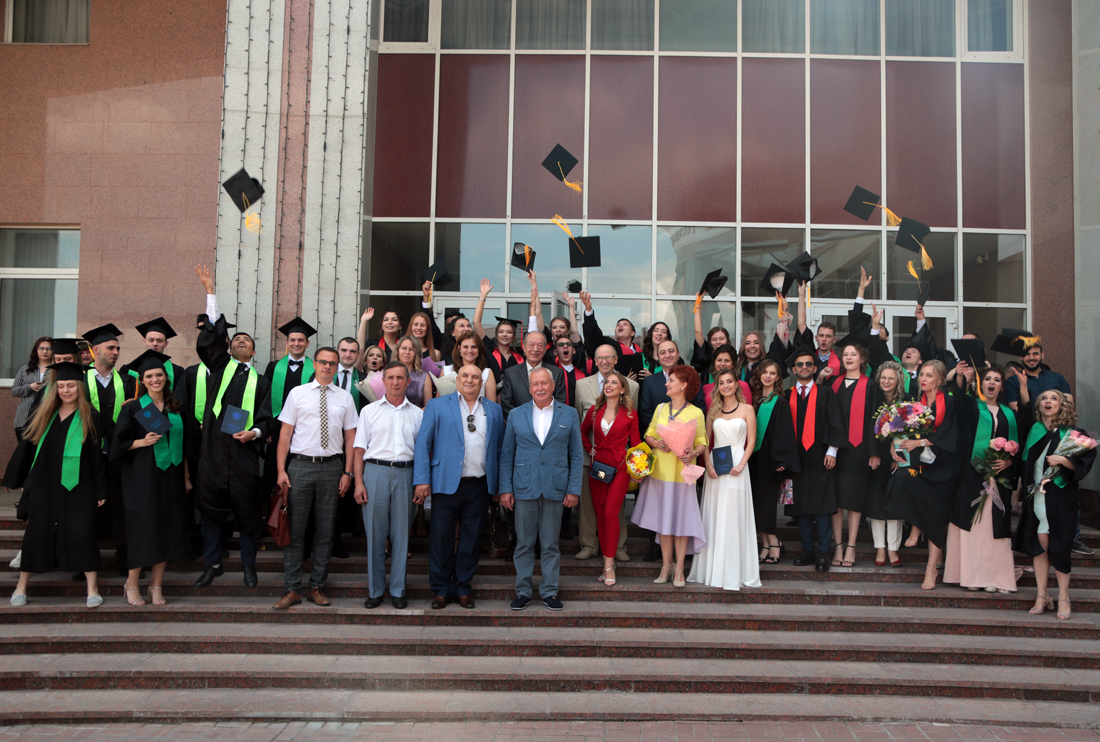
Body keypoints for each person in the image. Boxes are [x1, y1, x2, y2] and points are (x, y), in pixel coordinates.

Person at [192, 265, 275, 589]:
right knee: (209, 511)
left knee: (247, 512)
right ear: (228, 348)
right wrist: (210, 293)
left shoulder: (261, 381)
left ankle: (248, 566)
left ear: (253, 351)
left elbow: (267, 419)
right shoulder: (218, 367)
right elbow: (210, 340)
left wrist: (254, 433)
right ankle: (213, 564)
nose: (241, 341)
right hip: (213, 453)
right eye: (236, 338)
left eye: (246, 340)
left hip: (243, 455)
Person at [9, 362, 106, 608]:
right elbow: (27, 450)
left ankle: (92, 589)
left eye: (71, 386)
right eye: (61, 386)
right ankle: (21, 586)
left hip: (79, 485)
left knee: (83, 532)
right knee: (36, 532)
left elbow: (96, 457)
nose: (65, 390)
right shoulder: (44, 414)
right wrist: (16, 478)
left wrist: (100, 488)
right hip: (44, 484)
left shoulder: (91, 416)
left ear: (80, 388)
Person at [270, 346, 357, 609]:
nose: (327, 366)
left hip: (332, 468)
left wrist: (348, 472)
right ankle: (292, 589)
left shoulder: (345, 398)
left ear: (337, 367)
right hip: (300, 467)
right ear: (315, 364)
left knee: (326, 531)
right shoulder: (298, 393)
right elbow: (285, 434)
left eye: (332, 363)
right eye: (323, 362)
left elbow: (351, 438)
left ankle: (317, 586)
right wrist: (281, 470)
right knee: (295, 531)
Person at [414, 364, 504, 609]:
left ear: (481, 383)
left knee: (471, 540)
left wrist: (499, 485)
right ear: (456, 380)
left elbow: (500, 450)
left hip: (480, 485)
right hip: (445, 483)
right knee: (441, 539)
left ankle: (463, 588)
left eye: (475, 377)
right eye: (465, 375)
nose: (470, 380)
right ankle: (441, 589)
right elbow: (423, 444)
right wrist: (422, 480)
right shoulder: (437, 406)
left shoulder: (494, 410)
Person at [110, 350, 192, 607]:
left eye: (159, 375)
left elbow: (184, 446)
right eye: (149, 376)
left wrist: (186, 477)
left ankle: (156, 586)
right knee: (143, 530)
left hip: (171, 477)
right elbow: (117, 445)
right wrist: (140, 442)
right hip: (142, 478)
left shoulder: (175, 407)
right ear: (142, 380)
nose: (155, 380)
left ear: (166, 378)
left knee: (167, 530)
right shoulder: (134, 407)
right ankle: (132, 584)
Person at [499, 367, 583, 611]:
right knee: (524, 543)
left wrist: (573, 489)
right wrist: (505, 489)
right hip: (524, 486)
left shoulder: (569, 414)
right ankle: (523, 591)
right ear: (529, 388)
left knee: (550, 544)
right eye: (535, 384)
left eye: (544, 383)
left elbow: (576, 455)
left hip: (556, 487)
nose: (540, 388)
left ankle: (549, 591)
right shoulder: (516, 414)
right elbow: (507, 455)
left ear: (553, 385)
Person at [1014, 390, 1095, 620]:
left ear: (1062, 405)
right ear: (1039, 405)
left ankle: (1064, 597)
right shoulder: (1035, 430)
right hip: (1037, 497)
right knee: (1040, 546)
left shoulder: (1074, 434)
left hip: (1061, 497)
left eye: (1054, 398)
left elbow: (1085, 462)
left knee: (1060, 546)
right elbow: (1026, 464)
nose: (1048, 401)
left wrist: (1063, 460)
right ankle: (1042, 595)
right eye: (1044, 398)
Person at [885, 360, 961, 590]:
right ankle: (916, 526)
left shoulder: (950, 402)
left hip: (943, 466)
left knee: (936, 515)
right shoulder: (914, 401)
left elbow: (950, 433)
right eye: (922, 375)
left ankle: (931, 569)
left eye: (929, 375)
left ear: (940, 380)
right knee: (903, 480)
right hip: (919, 464)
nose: (924, 379)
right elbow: (900, 429)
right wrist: (893, 447)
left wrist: (919, 442)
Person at [353, 361, 423, 609]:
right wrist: (358, 482)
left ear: (408, 382)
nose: (395, 382)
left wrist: (421, 482)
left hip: (406, 474)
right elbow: (359, 449)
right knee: (375, 534)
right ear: (383, 381)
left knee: (401, 535)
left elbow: (423, 452)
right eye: (390, 378)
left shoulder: (417, 414)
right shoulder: (369, 411)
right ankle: (375, 591)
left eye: (400, 378)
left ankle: (398, 590)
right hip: (375, 473)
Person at [632, 364, 709, 588]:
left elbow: (702, 442)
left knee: (682, 522)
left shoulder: (696, 412)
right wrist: (657, 443)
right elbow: (648, 434)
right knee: (663, 522)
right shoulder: (660, 408)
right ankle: (666, 566)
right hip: (660, 473)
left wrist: (692, 453)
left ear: (684, 385)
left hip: (683, 474)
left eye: (671, 380)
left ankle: (679, 569)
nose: (667, 383)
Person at [945, 365, 1020, 594]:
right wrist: (961, 376)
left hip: (1000, 476)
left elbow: (1017, 444)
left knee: (994, 527)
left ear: (1001, 386)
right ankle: (971, 575)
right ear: (981, 383)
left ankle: (994, 576)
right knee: (974, 524)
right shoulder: (971, 406)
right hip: (971, 474)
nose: (992, 383)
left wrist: (1009, 462)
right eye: (988, 378)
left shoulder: (1009, 413)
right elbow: (958, 398)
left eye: (997, 379)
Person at [689, 368, 760, 590]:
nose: (726, 385)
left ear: (737, 384)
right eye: (722, 382)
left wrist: (742, 464)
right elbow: (705, 441)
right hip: (716, 467)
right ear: (717, 386)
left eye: (730, 381)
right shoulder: (713, 412)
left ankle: (734, 571)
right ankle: (713, 570)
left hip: (738, 465)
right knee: (716, 514)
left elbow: (752, 441)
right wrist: (708, 466)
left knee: (734, 514)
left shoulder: (748, 409)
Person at [573, 344, 640, 563]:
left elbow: (633, 433)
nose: (604, 361)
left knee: (614, 508)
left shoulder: (632, 387)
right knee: (591, 507)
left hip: (619, 462)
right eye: (600, 357)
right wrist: (587, 448)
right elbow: (579, 422)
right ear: (594, 360)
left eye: (608, 357)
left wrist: (636, 468)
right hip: (593, 460)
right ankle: (589, 545)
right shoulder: (582, 385)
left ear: (616, 359)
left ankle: (617, 547)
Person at [81, 323, 136, 575]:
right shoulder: (79, 380)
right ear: (95, 350)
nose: (116, 352)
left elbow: (151, 418)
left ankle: (125, 558)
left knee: (122, 507)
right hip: (86, 454)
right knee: (85, 508)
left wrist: (140, 407)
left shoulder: (129, 381)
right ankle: (84, 562)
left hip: (120, 455)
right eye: (110, 348)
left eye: (117, 348)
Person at [786, 346, 845, 573]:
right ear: (794, 369)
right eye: (800, 364)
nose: (804, 367)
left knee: (822, 508)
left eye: (808, 364)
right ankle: (807, 550)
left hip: (821, 457)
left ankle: (823, 553)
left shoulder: (825, 393)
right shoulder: (787, 395)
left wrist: (832, 451)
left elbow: (835, 422)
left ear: (815, 368)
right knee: (802, 508)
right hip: (796, 460)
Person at [827, 336, 877, 568]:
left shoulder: (871, 385)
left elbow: (875, 420)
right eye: (845, 354)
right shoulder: (834, 383)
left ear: (862, 358)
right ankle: (838, 545)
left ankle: (852, 546)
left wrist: (873, 451)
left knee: (854, 499)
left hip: (859, 450)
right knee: (836, 500)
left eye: (853, 354)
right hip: (835, 450)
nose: (848, 358)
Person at [747, 359, 800, 565]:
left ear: (778, 377)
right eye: (765, 372)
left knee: (767, 504)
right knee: (756, 503)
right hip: (753, 459)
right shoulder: (754, 399)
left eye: (772, 373)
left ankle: (774, 543)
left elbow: (784, 433)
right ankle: (767, 544)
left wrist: (781, 459)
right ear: (759, 375)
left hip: (770, 459)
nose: (768, 376)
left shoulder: (779, 401)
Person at [263, 317, 317, 500]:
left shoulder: (315, 370)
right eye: (292, 340)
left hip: (305, 426)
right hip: (278, 426)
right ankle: (276, 511)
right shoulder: (274, 367)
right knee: (274, 467)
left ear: (307, 343)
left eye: (301, 340)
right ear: (286, 343)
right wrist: (268, 428)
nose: (296, 343)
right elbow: (266, 400)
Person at [866, 361, 906, 567]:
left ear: (898, 380)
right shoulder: (873, 397)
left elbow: (912, 431)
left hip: (899, 457)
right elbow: (868, 427)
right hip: (877, 456)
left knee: (895, 503)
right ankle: (880, 547)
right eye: (883, 377)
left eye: (891, 378)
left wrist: (901, 456)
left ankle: (893, 548)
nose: (886, 381)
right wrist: (873, 453)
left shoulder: (907, 401)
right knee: (876, 503)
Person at [2, 337, 52, 490]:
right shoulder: (25, 369)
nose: (44, 351)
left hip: (46, 419)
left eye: (48, 348)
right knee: (25, 457)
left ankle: (38, 491)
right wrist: (30, 387)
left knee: (42, 458)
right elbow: (14, 391)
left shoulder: (56, 370)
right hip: (24, 419)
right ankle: (25, 494)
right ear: (36, 351)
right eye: (41, 348)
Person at [638, 340, 706, 437]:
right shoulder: (649, 381)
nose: (667, 355)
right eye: (662, 352)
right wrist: (663, 435)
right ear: (658, 358)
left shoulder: (692, 378)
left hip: (688, 438)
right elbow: (646, 413)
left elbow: (700, 407)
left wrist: (684, 434)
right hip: (659, 440)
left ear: (678, 354)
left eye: (671, 351)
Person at [500, 331, 566, 417]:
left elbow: (560, 403)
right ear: (524, 347)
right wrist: (525, 422)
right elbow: (506, 404)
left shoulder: (557, 373)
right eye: (531, 345)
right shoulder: (511, 373)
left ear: (545, 349)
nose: (535, 349)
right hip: (520, 423)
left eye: (540, 345)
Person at [474, 279, 524, 386]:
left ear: (513, 337)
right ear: (496, 335)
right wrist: (483, 296)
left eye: (509, 332)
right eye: (501, 332)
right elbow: (476, 323)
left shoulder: (520, 358)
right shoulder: (490, 350)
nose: (505, 334)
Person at [578, 290, 641, 364]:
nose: (620, 325)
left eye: (625, 324)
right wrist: (589, 310)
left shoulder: (641, 353)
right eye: (618, 325)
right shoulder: (607, 345)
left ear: (632, 333)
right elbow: (593, 335)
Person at [794, 283, 840, 378]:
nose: (824, 339)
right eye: (821, 335)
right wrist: (802, 295)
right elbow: (801, 324)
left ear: (834, 339)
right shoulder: (810, 354)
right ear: (816, 338)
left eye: (828, 336)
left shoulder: (840, 362)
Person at [134, 318, 188, 397]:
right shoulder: (129, 371)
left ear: (166, 343)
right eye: (151, 340)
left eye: (159, 341)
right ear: (144, 341)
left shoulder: (177, 371)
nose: (155, 344)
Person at [691, 302, 731, 385]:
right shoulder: (707, 356)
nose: (718, 342)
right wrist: (698, 304)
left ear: (727, 340)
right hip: (708, 391)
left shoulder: (733, 357)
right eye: (714, 339)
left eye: (721, 339)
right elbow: (698, 332)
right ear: (710, 341)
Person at [702, 344, 751, 410]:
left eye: (727, 360)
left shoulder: (743, 386)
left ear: (733, 364)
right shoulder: (706, 388)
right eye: (719, 360)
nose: (722, 364)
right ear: (714, 363)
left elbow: (748, 411)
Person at [394, 335, 434, 408]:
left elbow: (428, 407)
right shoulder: (386, 373)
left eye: (411, 349)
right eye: (404, 348)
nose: (407, 352)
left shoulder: (424, 377)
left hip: (416, 415)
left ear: (416, 353)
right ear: (398, 350)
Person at [553, 335, 589, 408]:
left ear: (574, 350)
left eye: (568, 344)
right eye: (561, 345)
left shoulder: (584, 376)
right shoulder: (551, 374)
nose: (565, 346)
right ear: (555, 352)